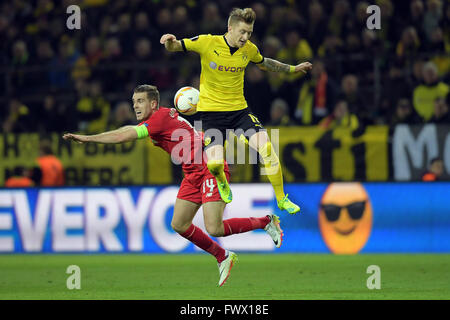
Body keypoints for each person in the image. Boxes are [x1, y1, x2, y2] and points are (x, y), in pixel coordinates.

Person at [63, 84, 283, 287]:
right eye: (133, 102)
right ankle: (223, 256)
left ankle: (266, 221)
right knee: (179, 224)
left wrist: (89, 139)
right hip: (191, 173)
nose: (135, 106)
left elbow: (125, 134)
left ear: (153, 103)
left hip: (208, 168)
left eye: (140, 101)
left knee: (215, 227)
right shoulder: (160, 119)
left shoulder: (158, 118)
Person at [160, 7, 312, 214]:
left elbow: (265, 63)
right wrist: (169, 41)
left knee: (267, 148)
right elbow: (176, 46)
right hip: (211, 115)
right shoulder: (208, 42)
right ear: (230, 28)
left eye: (249, 33)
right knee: (214, 165)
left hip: (239, 112)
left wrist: (293, 68)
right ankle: (221, 180)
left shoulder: (249, 49)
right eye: (242, 32)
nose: (245, 37)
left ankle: (281, 198)